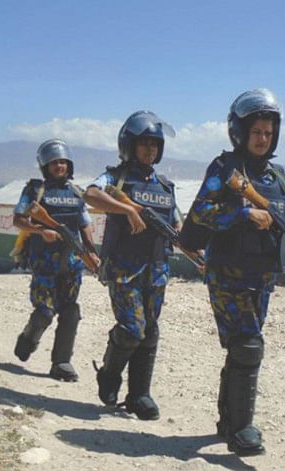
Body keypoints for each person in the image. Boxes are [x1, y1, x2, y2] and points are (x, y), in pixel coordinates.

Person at [188, 88, 285, 456]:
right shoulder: (225, 169)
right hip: (228, 273)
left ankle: (229, 421)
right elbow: (201, 213)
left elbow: (282, 223)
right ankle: (242, 430)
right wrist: (242, 214)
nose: (263, 139)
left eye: (269, 133)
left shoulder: (277, 177)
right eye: (257, 132)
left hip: (262, 276)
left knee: (242, 347)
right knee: (248, 346)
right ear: (240, 133)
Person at [85, 111, 179, 421]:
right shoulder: (116, 178)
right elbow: (91, 195)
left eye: (155, 145)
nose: (150, 150)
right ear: (130, 145)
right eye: (144, 144)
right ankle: (109, 374)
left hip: (156, 269)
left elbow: (176, 224)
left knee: (149, 330)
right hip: (124, 268)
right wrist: (127, 210)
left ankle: (140, 395)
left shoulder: (165, 186)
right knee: (132, 329)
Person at [12, 139, 99, 382]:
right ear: (45, 166)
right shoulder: (35, 191)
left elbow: (84, 225)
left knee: (70, 311)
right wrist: (41, 231)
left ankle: (61, 363)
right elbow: (18, 220)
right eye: (54, 163)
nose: (59, 166)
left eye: (63, 162)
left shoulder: (76, 192)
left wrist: (91, 252)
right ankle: (28, 339)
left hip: (72, 263)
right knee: (45, 312)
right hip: (44, 263)